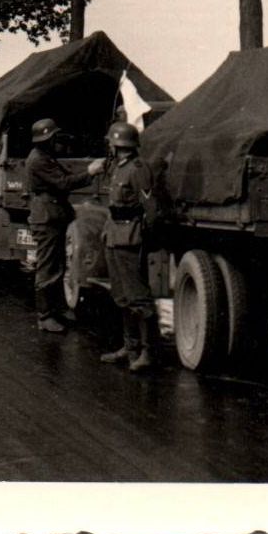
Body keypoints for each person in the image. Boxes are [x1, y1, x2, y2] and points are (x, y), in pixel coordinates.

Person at [25, 118, 102, 334]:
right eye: (54, 137)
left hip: (52, 215)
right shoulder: (39, 160)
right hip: (47, 217)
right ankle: (45, 316)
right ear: (47, 138)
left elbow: (63, 179)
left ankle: (54, 311)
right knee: (48, 267)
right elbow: (63, 183)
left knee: (56, 265)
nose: (57, 140)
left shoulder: (44, 157)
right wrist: (91, 172)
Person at [97, 122, 161, 372]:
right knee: (121, 296)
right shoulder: (118, 168)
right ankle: (130, 347)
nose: (109, 147)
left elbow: (151, 209)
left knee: (138, 297)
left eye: (111, 143)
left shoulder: (138, 169)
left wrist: (147, 236)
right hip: (114, 234)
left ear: (119, 145)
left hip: (131, 237)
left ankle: (148, 352)